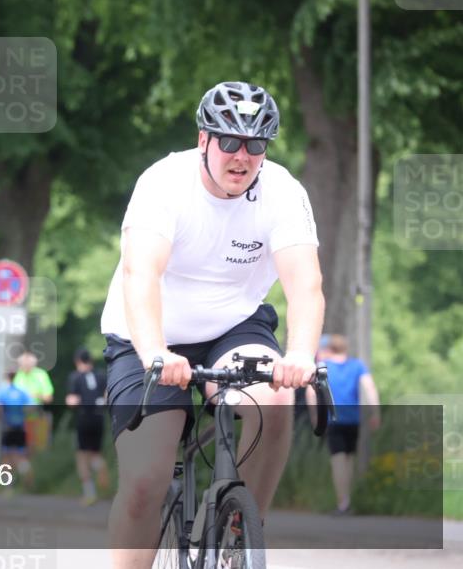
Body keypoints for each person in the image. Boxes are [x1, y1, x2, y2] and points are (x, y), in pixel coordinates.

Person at [99, 82, 324, 568]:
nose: (242, 156)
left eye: (255, 145)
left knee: (276, 400)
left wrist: (300, 354)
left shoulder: (282, 191)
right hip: (149, 334)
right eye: (229, 142)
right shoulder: (163, 183)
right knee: (145, 481)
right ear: (204, 140)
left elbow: (306, 286)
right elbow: (141, 275)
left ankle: (240, 533)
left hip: (233, 326)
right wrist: (155, 353)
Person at [314, 333, 380, 515]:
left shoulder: (323, 366)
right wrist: (375, 412)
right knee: (349, 460)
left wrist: (315, 415)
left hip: (333, 419)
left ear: (330, 348)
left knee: (338, 461)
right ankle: (347, 498)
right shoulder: (357, 365)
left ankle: (343, 503)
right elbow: (369, 387)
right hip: (353, 420)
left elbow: (313, 393)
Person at [65, 347, 110, 506]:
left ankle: (89, 494)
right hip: (99, 418)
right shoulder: (101, 375)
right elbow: (107, 396)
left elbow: (72, 401)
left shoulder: (75, 377)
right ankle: (100, 466)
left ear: (77, 361)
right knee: (95, 453)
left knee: (82, 456)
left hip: (84, 418)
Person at [0, 371, 36, 492]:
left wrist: (0, 416)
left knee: (6, 457)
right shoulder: (22, 390)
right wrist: (23, 414)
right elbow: (32, 406)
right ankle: (25, 470)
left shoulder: (1, 390)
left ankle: (8, 486)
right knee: (20, 456)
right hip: (20, 427)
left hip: (7, 427)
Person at [13, 351, 53, 453]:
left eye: (28, 365)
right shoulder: (17, 375)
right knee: (18, 449)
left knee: (37, 448)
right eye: (23, 365)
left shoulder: (41, 375)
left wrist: (35, 395)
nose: (25, 367)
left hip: (37, 416)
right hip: (18, 417)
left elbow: (49, 398)